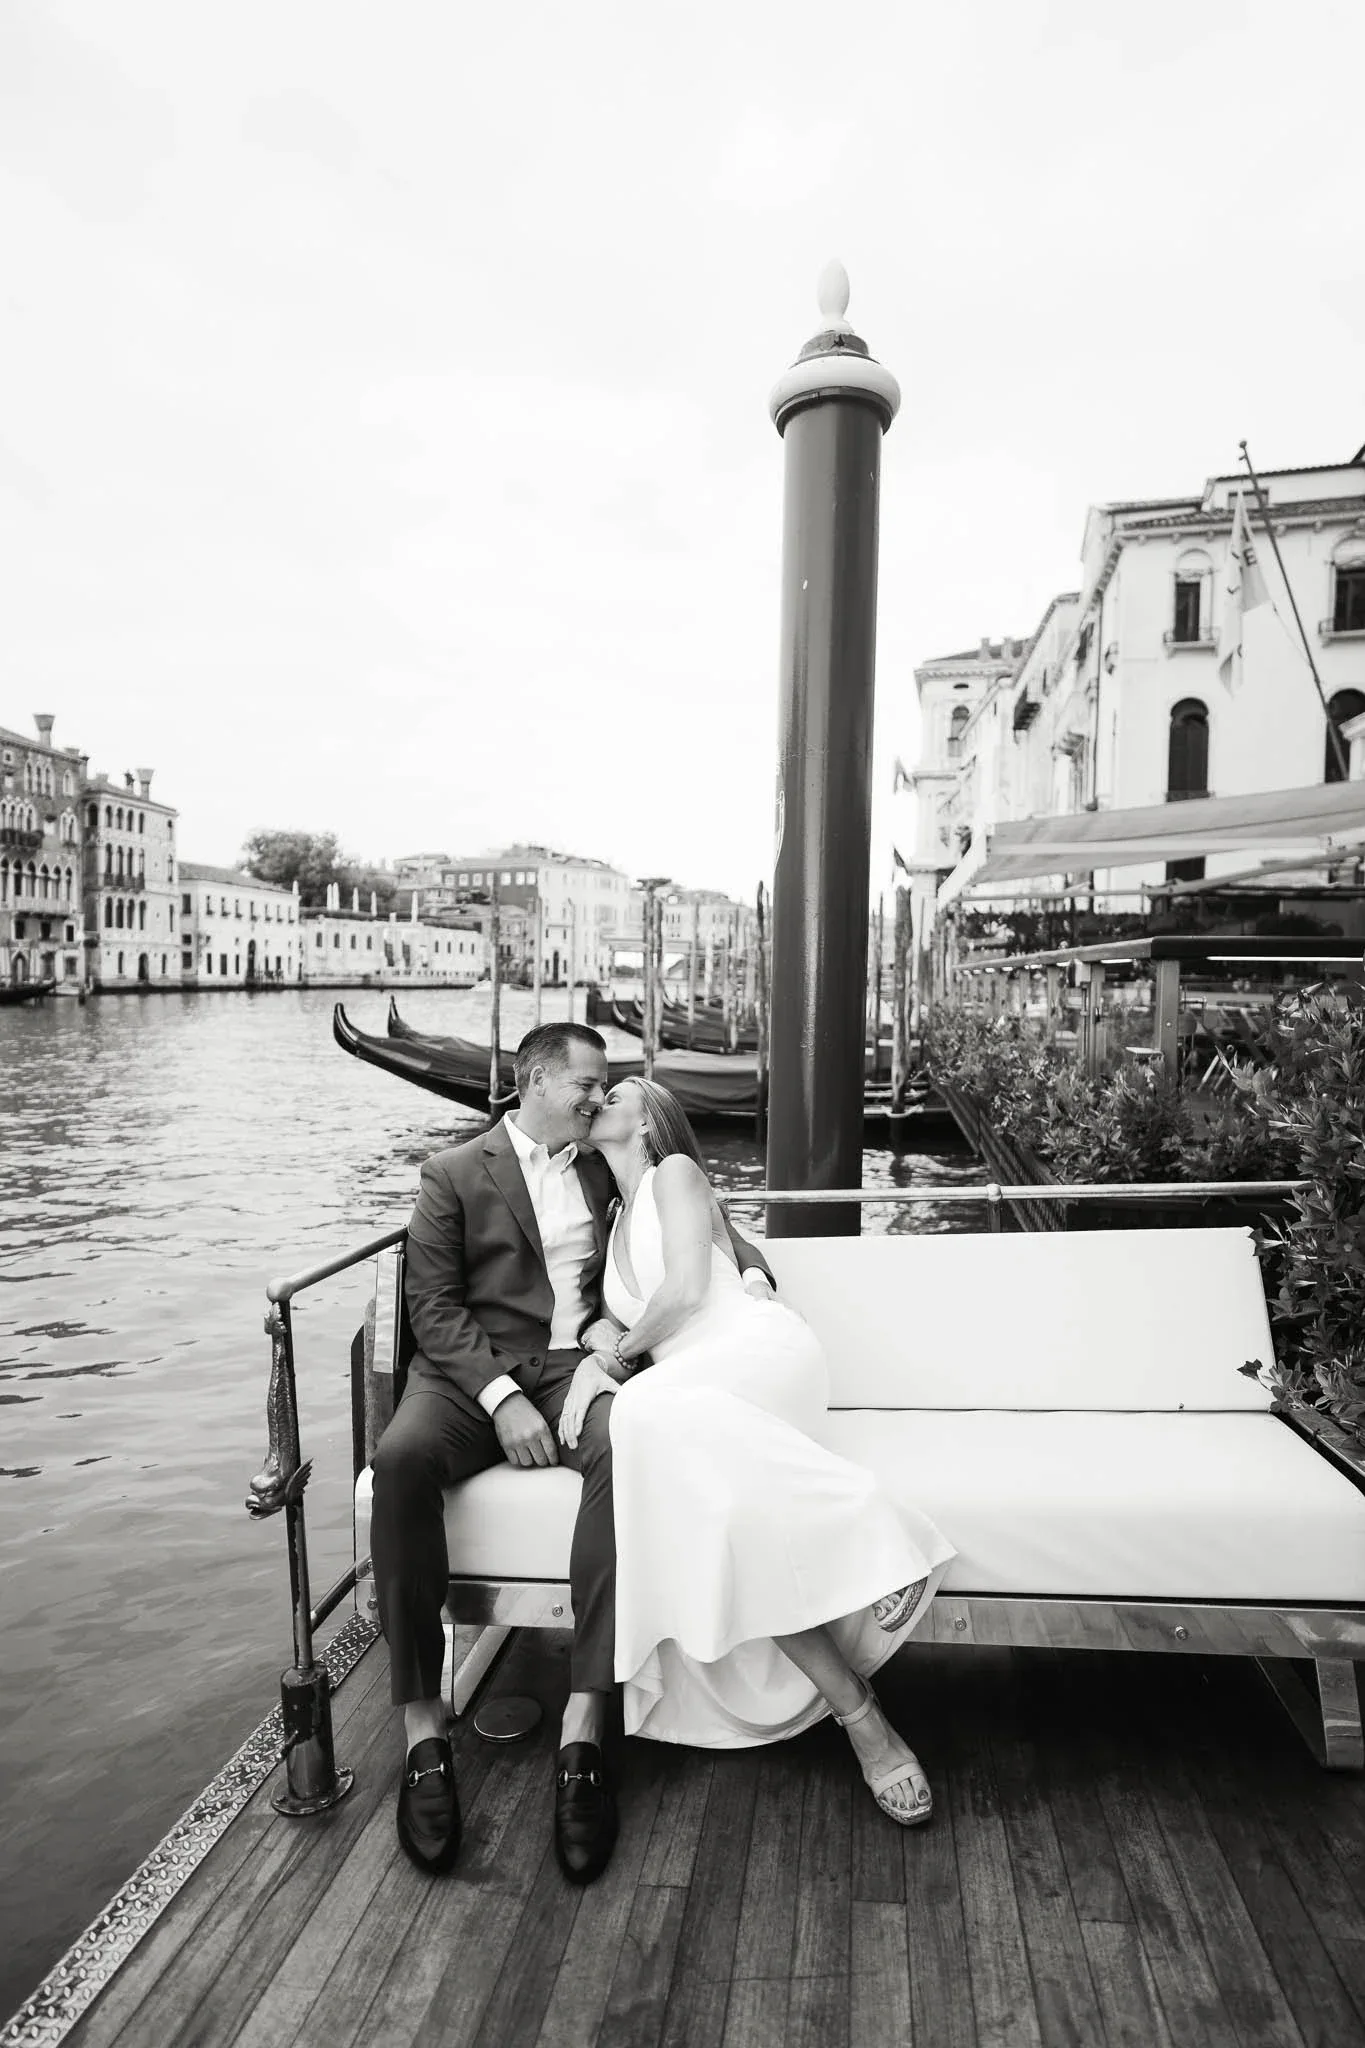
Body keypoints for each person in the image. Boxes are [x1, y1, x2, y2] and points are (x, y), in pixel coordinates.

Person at [368, 1022, 775, 1884]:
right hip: (467, 1377)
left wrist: (752, 1273)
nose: (597, 1098)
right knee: (399, 1461)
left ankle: (584, 1723)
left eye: (603, 1087)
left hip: (572, 1369)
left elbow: (706, 1226)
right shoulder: (450, 1173)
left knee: (630, 1448)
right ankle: (423, 1728)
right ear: (536, 1082)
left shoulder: (602, 1165)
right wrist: (500, 1397)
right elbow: (432, 1308)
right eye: (586, 1084)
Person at [558, 1076, 956, 1824]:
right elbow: (619, 1313)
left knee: (636, 1412)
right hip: (697, 1394)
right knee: (727, 1519)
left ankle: (877, 1527)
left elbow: (684, 1291)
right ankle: (862, 1718)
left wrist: (607, 1363)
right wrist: (592, 1338)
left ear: (648, 1121)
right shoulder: (613, 1218)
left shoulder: (674, 1173)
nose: (599, 1100)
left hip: (753, 1353)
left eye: (616, 1094)